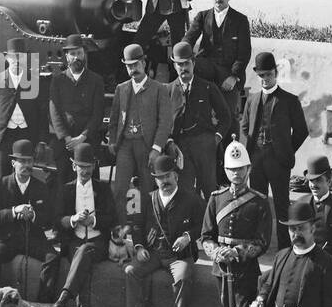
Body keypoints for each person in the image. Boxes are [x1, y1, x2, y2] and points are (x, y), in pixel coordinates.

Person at [200, 140, 272, 307]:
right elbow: (206, 236)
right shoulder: (216, 198)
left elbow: (263, 241)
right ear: (226, 171)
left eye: (240, 169)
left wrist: (239, 253)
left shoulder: (259, 201)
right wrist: (216, 252)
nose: (236, 174)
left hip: (245, 270)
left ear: (249, 169)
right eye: (232, 169)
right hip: (221, 270)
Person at [123, 154, 202, 307]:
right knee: (131, 271)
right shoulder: (147, 199)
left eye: (167, 176)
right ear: (155, 180)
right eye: (160, 178)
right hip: (153, 253)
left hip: (179, 256)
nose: (164, 181)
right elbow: (136, 225)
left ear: (176, 176)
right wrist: (140, 247)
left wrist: (187, 237)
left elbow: (204, 225)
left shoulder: (192, 199)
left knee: (182, 277)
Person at [0, 139, 61, 307]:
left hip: (31, 238)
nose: (26, 166)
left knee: (52, 257)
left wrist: (34, 215)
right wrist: (13, 212)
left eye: (29, 161)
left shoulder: (41, 186)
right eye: (22, 161)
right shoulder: (0, 184)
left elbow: (49, 220)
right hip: (6, 238)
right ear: (13, 163)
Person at [239, 52, 308, 249]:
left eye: (268, 74)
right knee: (258, 204)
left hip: (279, 162)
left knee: (281, 206)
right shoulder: (252, 99)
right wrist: (248, 152)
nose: (265, 79)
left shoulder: (289, 100)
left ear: (276, 73)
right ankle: (260, 244)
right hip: (257, 160)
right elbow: (244, 127)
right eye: (261, 75)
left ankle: (284, 248)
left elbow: (302, 130)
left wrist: (287, 150)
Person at [107, 42, 174, 226]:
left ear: (144, 63)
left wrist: (156, 148)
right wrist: (113, 141)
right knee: (120, 189)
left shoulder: (159, 89)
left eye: (136, 64)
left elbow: (165, 122)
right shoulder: (122, 88)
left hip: (148, 146)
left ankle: (146, 229)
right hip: (125, 146)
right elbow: (114, 120)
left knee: (147, 189)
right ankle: (122, 227)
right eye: (129, 66)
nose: (133, 69)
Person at [51, 142, 113, 307]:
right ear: (73, 166)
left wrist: (93, 221)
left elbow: (113, 218)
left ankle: (63, 299)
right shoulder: (66, 189)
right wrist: (73, 219)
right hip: (75, 240)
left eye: (88, 166)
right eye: (81, 166)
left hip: (98, 242)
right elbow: (56, 220)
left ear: (94, 166)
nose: (84, 170)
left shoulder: (103, 189)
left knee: (85, 251)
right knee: (81, 259)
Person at [167, 40, 232, 203]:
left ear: (193, 63)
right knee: (185, 191)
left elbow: (226, 117)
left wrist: (215, 138)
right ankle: (190, 227)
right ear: (175, 66)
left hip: (204, 147)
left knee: (210, 189)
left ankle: (213, 226)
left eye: (187, 63)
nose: (183, 68)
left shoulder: (208, 87)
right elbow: (162, 121)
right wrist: (169, 142)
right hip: (180, 149)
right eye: (179, 64)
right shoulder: (167, 90)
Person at [184, 0, 250, 123]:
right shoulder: (202, 16)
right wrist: (181, 53)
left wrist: (233, 77)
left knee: (228, 118)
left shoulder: (240, 20)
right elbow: (188, 39)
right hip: (206, 74)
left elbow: (244, 53)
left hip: (228, 77)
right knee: (197, 114)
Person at [0, 36, 45, 185]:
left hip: (27, 136)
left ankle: (23, 208)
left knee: (24, 177)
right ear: (7, 58)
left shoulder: (35, 81)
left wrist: (40, 140)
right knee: (1, 179)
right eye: (13, 57)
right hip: (3, 137)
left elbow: (42, 114)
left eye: (20, 57)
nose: (17, 60)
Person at [48, 33, 106, 190]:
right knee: (63, 183)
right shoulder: (58, 80)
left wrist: (82, 137)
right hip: (65, 143)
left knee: (91, 185)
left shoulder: (96, 81)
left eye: (79, 53)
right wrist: (67, 139)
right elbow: (54, 112)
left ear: (84, 54)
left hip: (87, 140)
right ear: (66, 56)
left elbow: (98, 113)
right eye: (72, 54)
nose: (76, 57)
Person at [304, 155, 332, 251]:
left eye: (318, 180)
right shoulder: (302, 204)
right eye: (311, 181)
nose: (313, 185)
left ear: (329, 182)